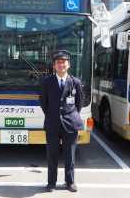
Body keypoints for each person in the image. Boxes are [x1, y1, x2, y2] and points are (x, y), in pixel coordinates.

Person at [39, 50, 84, 192]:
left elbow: (79, 103)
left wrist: (69, 115)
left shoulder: (75, 82)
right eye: (58, 62)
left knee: (70, 155)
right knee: (52, 155)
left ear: (68, 64)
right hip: (52, 123)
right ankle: (51, 182)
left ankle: (70, 181)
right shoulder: (47, 82)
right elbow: (43, 102)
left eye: (63, 62)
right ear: (54, 65)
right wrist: (53, 114)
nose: (61, 65)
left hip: (70, 124)